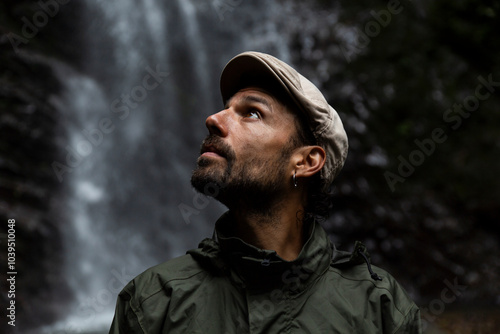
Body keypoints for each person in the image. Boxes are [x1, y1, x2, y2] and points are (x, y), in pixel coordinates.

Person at [109, 51, 421, 333]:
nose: (213, 119)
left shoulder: (379, 308)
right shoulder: (152, 302)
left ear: (306, 161)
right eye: (225, 108)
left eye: (252, 112)